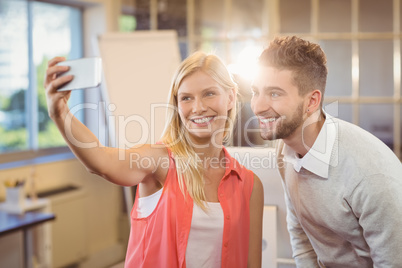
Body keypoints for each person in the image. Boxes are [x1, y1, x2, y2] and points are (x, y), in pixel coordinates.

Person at [45, 51, 264, 268]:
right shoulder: (159, 161)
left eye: (209, 94)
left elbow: (252, 263)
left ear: (231, 98)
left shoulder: (250, 185)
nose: (198, 108)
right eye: (186, 98)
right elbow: (102, 161)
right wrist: (60, 113)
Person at [250, 35, 402, 267]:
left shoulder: (369, 174)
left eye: (274, 93)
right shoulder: (285, 150)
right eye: (255, 92)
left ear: (312, 101)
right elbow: (301, 236)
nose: (258, 106)